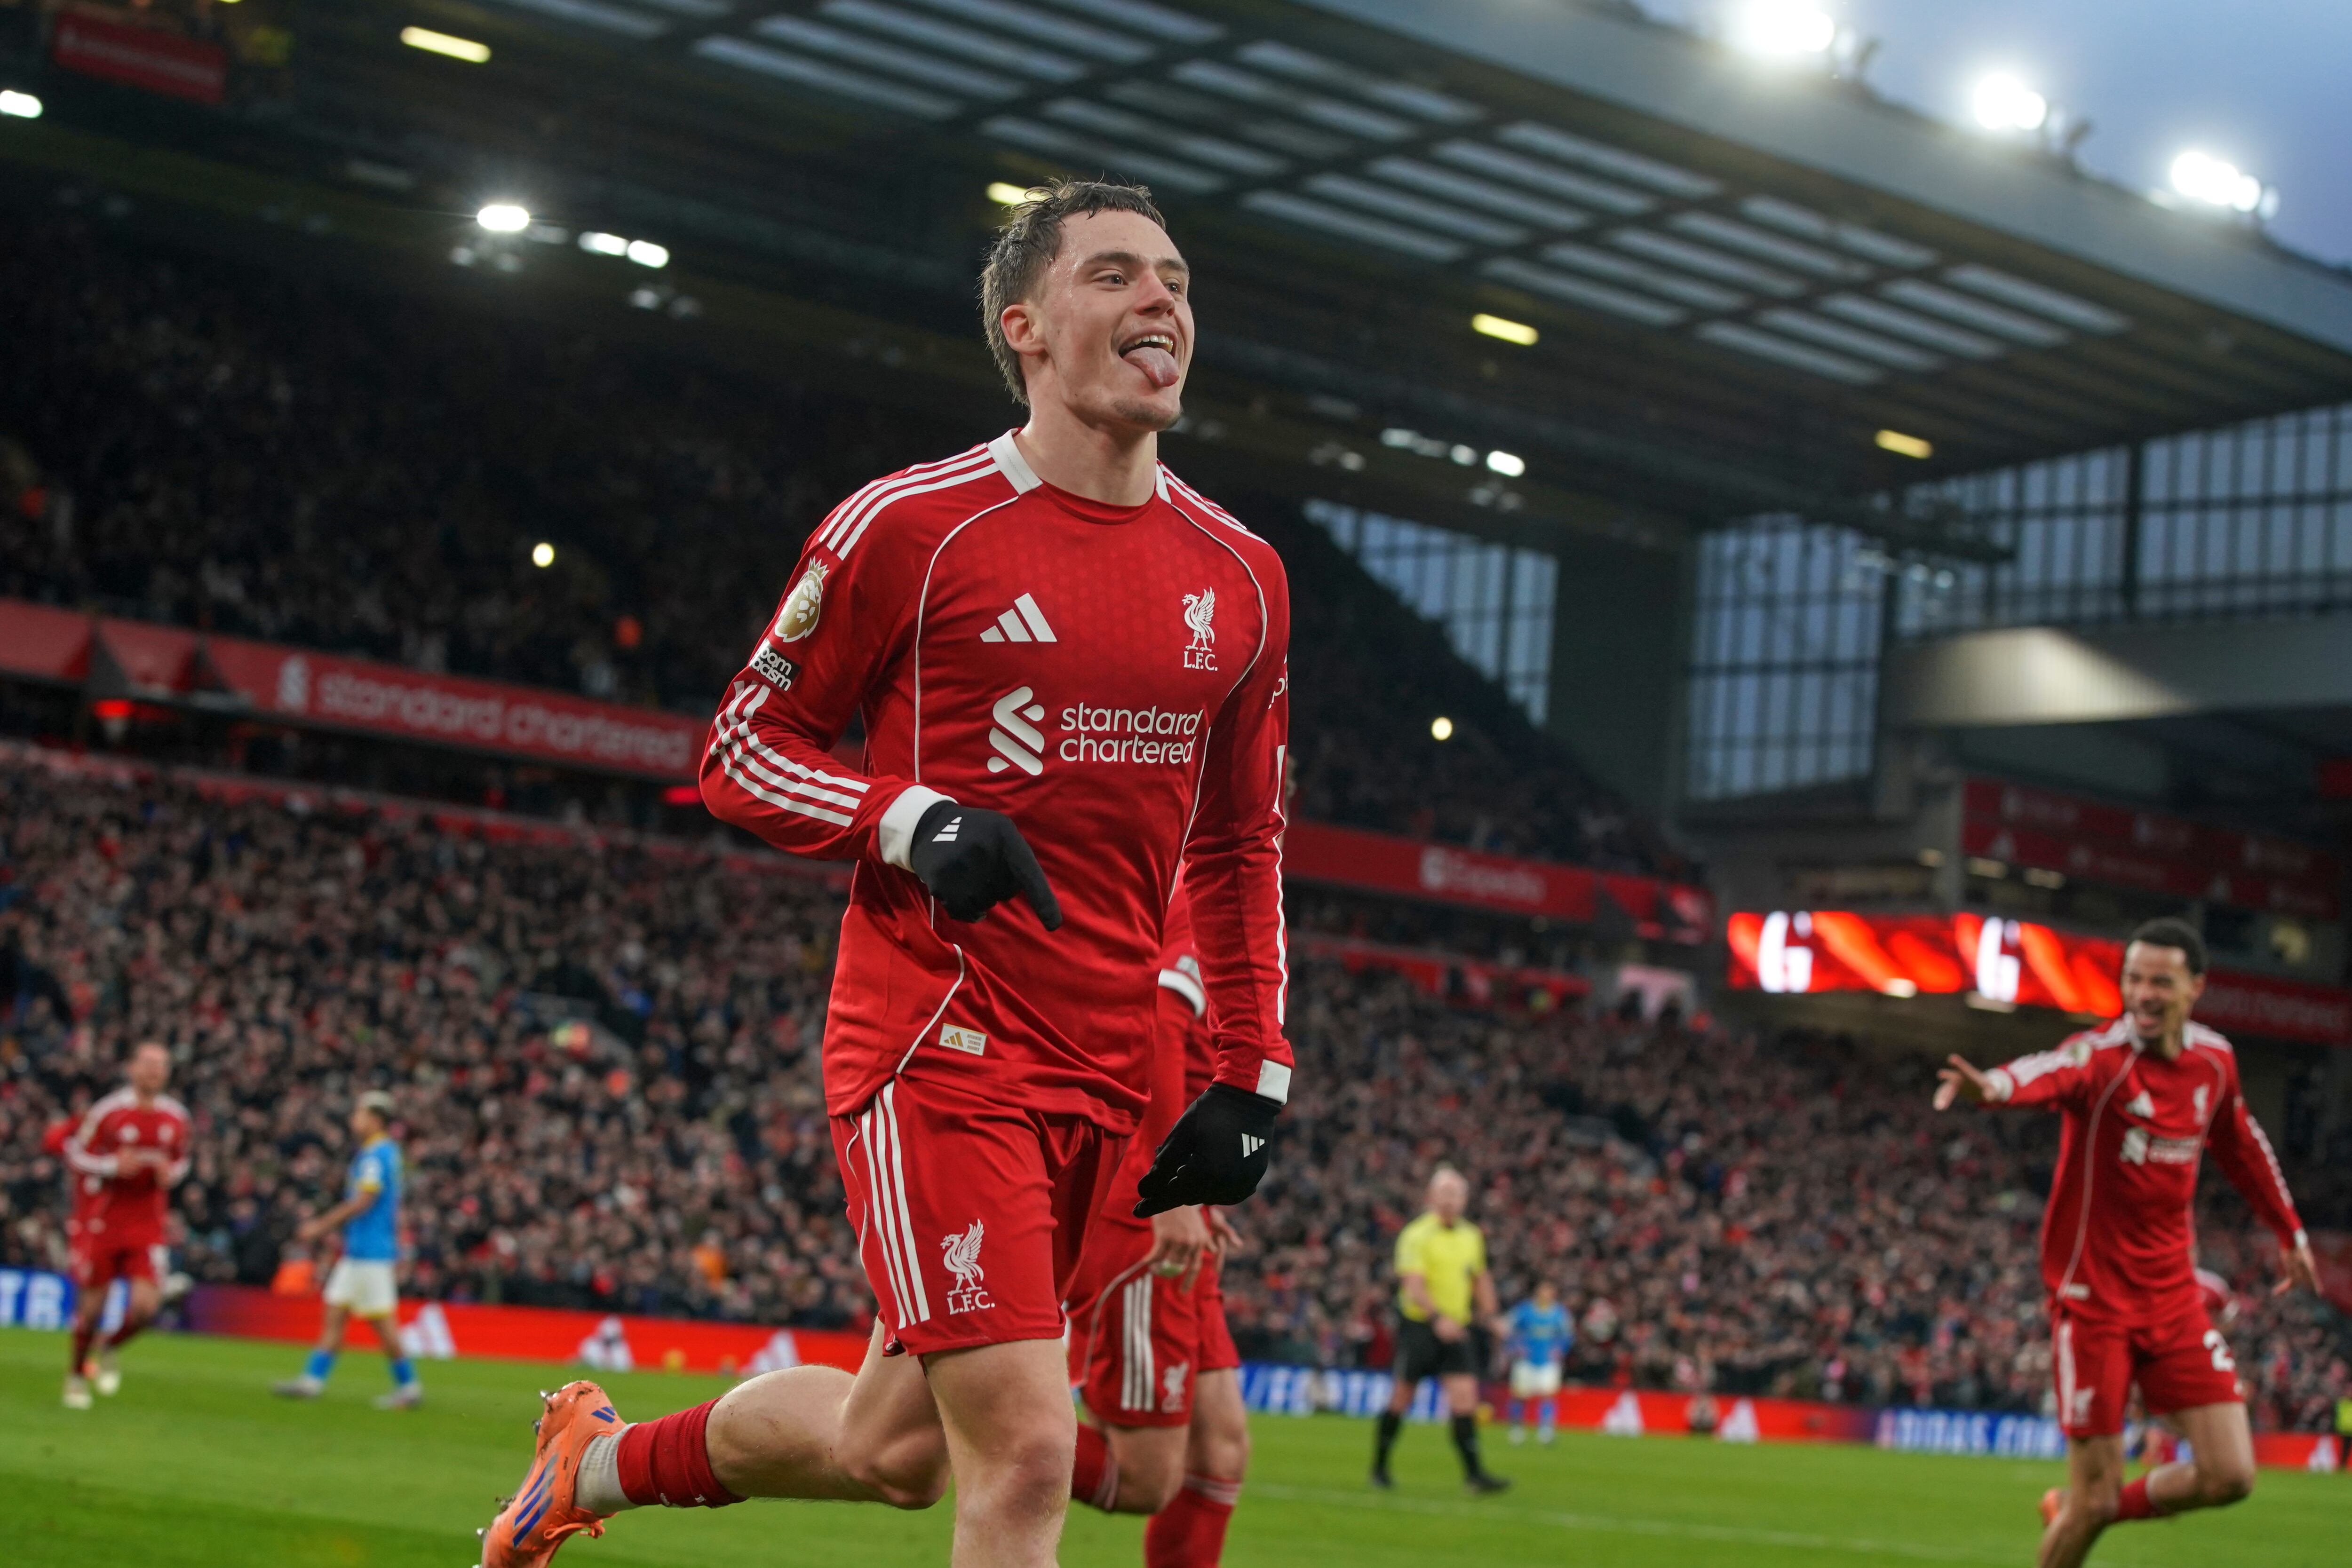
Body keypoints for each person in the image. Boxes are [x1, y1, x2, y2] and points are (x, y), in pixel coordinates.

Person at [476, 177, 1292, 1568]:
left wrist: (1248, 1066)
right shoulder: (912, 529)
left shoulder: (1243, 573)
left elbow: (1237, 843)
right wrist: (914, 820)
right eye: (1116, 276)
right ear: (1024, 327)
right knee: (1031, 1453)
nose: (1163, 300)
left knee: (893, 1448)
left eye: (1176, 279)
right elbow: (742, 744)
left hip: (1111, 1068)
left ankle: (589, 1465)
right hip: (941, 1042)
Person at [1934, 917, 2318, 1568]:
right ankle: (2082, 1506)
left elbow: (2242, 1145)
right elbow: (2047, 1071)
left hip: (2172, 1296)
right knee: (2095, 1502)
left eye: (2160, 981)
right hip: (2094, 1303)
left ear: (2195, 987)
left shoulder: (2213, 1061)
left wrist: (2291, 1231)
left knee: (2231, 1474)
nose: (2143, 993)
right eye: (2134, 979)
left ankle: (2078, 1503)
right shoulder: (2104, 1059)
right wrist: (1992, 1087)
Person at [1065, 883, 1251, 1565]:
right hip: (1142, 1209)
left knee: (1221, 1447)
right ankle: (967, 1419)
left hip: (1181, 1205)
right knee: (1145, 1476)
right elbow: (1159, 1016)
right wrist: (1170, 1189)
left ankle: (983, 1415)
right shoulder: (1207, 894)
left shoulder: (1242, 900)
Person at [59, 1040, 190, 1409]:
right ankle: (75, 1374)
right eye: (147, 1063)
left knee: (147, 1310)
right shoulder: (108, 1112)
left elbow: (182, 1162)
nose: (154, 1071)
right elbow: (76, 1152)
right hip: (106, 1220)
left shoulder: (176, 1117)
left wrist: (172, 1175)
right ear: (132, 1068)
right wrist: (111, 1167)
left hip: (148, 1224)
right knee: (92, 1309)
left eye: (161, 1065)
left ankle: (108, 1346)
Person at [273, 1091, 420, 1408]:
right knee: (335, 1312)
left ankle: (408, 1388)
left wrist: (320, 1226)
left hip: (371, 1254)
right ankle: (311, 1381)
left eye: (360, 1114)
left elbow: (363, 1202)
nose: (355, 1120)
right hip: (360, 1253)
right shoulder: (385, 1153)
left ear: (375, 1119)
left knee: (383, 1326)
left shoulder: (375, 1155)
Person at [1371, 1166, 1509, 1494]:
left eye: (1456, 1194)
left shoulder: (1472, 1236)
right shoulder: (1416, 1235)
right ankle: (1380, 1468)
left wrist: (1491, 1317)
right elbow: (1413, 1284)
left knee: (1465, 1399)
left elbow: (1480, 1278)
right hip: (1420, 1326)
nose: (1450, 1201)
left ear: (1464, 1200)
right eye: (1444, 1194)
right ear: (1431, 1198)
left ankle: (1475, 1476)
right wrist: (1437, 1319)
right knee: (1402, 1396)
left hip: (1457, 1327)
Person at [1503, 1280, 1572, 1444]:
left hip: (1548, 1361)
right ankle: (1517, 1429)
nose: (1546, 1295)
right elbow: (1507, 1329)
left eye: (1549, 1292)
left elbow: (1567, 1336)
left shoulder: (1559, 1314)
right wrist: (1515, 1346)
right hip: (1525, 1360)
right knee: (1520, 1395)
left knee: (1548, 1395)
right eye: (1543, 1291)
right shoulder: (1524, 1311)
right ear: (1537, 1293)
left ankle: (1546, 1430)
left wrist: (1559, 1350)